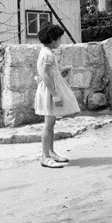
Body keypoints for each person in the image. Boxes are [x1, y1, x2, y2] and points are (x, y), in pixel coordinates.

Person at [34, 23, 80, 168]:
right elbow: (45, 75)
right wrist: (55, 95)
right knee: (48, 125)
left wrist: (60, 73)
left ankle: (51, 152)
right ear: (53, 40)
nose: (60, 42)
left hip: (50, 88)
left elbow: (50, 73)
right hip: (49, 91)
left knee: (51, 123)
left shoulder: (46, 52)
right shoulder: (47, 54)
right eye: (59, 39)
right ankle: (45, 156)